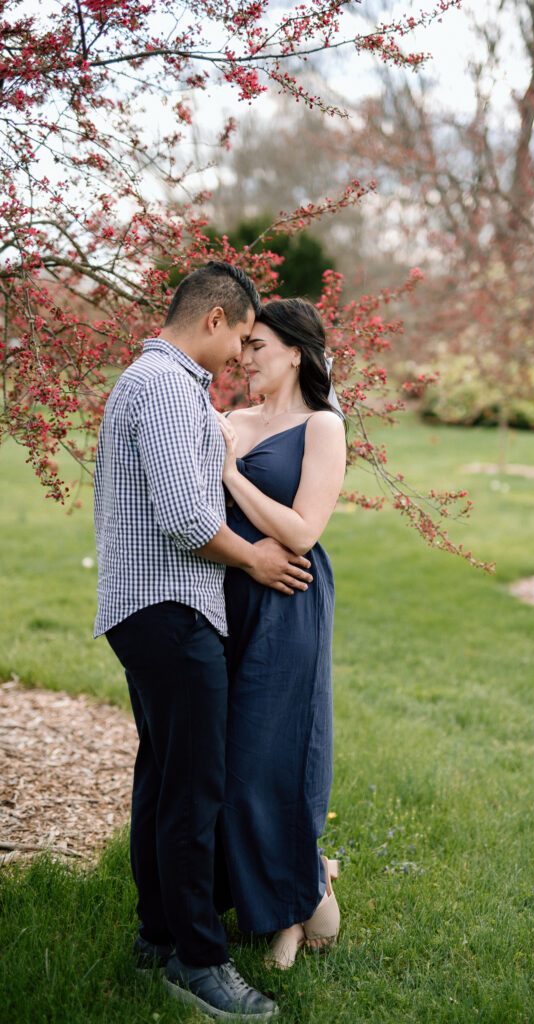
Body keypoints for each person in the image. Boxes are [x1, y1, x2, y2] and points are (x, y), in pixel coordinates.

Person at [93, 261, 313, 1021]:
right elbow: (187, 518)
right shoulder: (164, 387)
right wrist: (254, 556)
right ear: (215, 320)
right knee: (193, 789)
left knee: (162, 777)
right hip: (170, 611)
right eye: (242, 338)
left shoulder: (160, 384)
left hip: (147, 610)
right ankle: (198, 961)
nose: (240, 360)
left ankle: (157, 934)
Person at [214, 297, 347, 971]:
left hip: (288, 600)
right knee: (228, 760)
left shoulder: (323, 427)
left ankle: (295, 907)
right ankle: (304, 876)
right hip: (225, 594)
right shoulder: (229, 420)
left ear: (296, 351)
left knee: (273, 756)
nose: (244, 359)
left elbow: (301, 531)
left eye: (258, 346)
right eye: (243, 347)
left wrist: (233, 472)